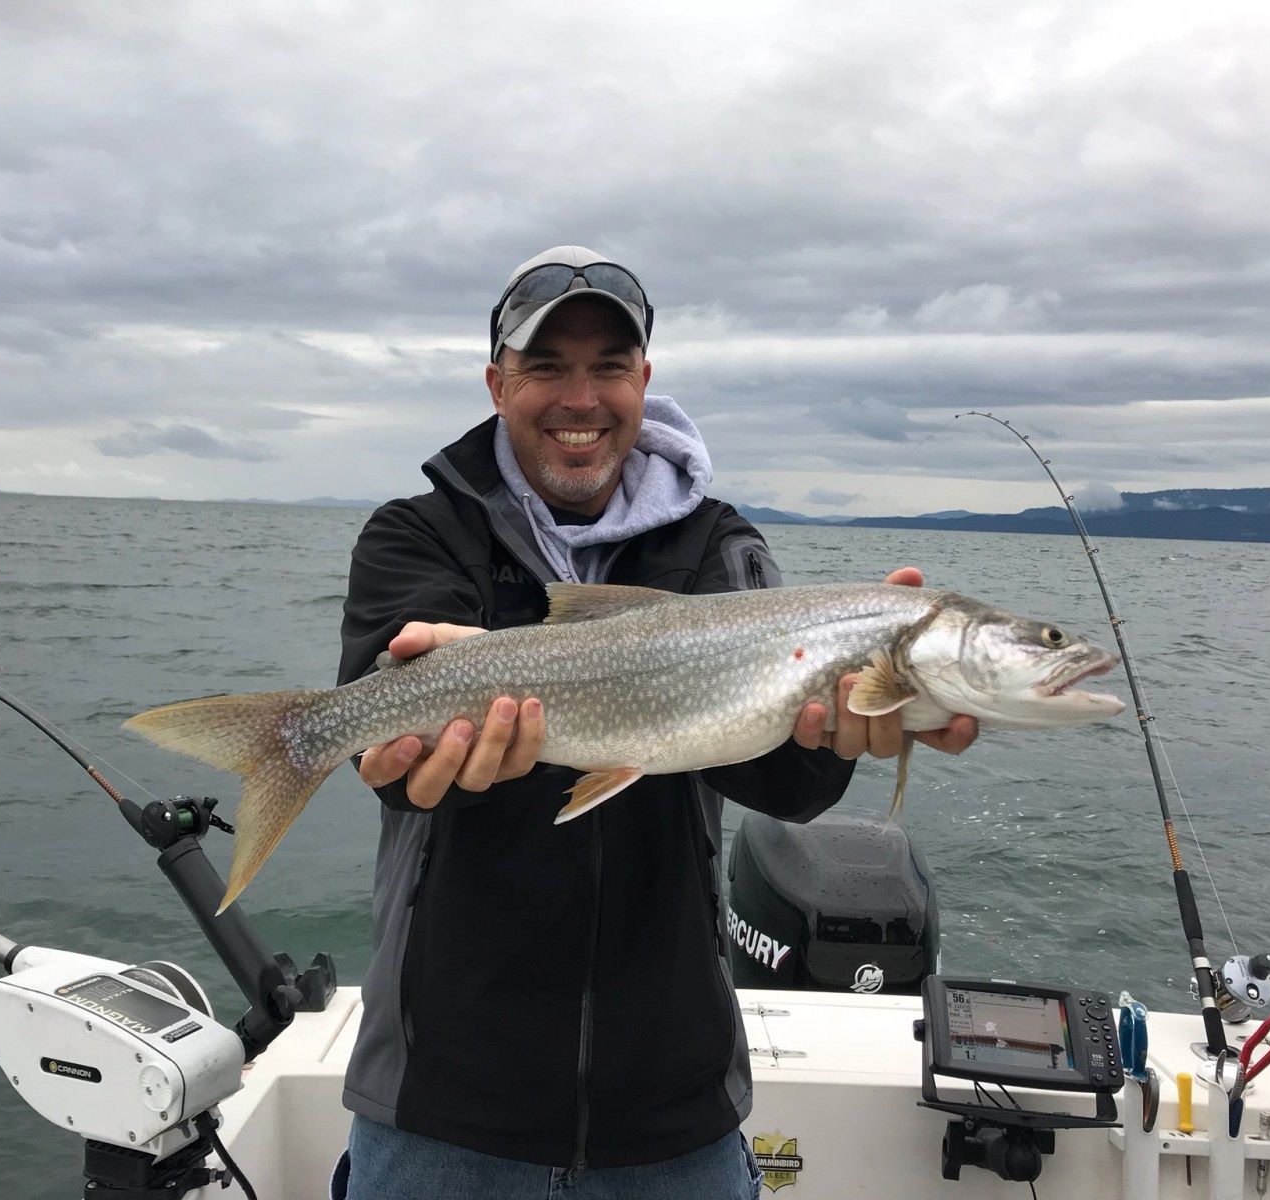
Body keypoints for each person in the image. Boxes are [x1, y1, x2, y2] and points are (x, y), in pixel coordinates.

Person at [332, 246, 976, 1199]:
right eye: (547, 366)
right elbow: (384, 752)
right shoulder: (417, 533)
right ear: (497, 383)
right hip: (443, 1095)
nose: (579, 398)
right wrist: (397, 734)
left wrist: (842, 726)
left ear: (644, 379)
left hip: (669, 1108)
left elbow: (782, 785)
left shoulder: (720, 547)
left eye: (607, 367)